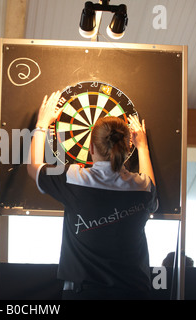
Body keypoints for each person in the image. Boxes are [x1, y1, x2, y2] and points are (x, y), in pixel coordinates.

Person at [28, 91, 158, 300]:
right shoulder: (142, 188)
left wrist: (42, 124)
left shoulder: (74, 179)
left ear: (90, 149)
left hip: (84, 294)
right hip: (134, 292)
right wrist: (143, 147)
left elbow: (33, 168)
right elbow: (149, 183)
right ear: (128, 147)